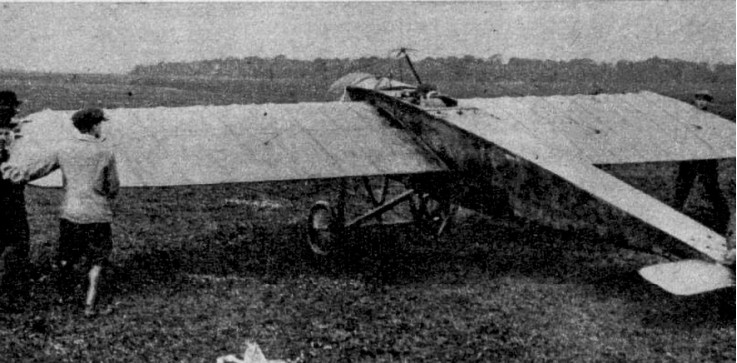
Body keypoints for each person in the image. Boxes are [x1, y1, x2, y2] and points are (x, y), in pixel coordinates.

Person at [2, 107, 119, 317]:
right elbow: (113, 187)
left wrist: (11, 172)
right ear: (93, 126)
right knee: (97, 260)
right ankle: (90, 304)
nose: (101, 127)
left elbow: (37, 169)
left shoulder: (64, 148)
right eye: (100, 123)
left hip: (70, 212)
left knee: (67, 258)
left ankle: (63, 297)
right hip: (97, 213)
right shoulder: (106, 151)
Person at [673, 90, 730, 234]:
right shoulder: (687, 117)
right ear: (695, 100)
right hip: (690, 157)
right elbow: (681, 136)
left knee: (711, 187)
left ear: (709, 102)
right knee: (683, 186)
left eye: (705, 100)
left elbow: (717, 137)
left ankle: (724, 218)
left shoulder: (712, 119)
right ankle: (675, 217)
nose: (702, 102)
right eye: (699, 99)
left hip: (706, 158)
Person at [0, 90, 30, 312]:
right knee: (17, 242)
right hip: (10, 196)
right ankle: (13, 295)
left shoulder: (14, 131)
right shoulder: (14, 134)